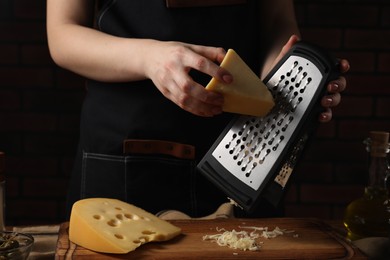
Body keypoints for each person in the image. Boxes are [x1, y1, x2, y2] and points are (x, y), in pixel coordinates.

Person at [46, 0, 349, 219]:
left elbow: (276, 21)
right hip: (127, 147)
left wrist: (289, 81)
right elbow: (62, 33)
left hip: (242, 150)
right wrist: (149, 58)